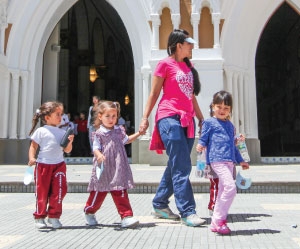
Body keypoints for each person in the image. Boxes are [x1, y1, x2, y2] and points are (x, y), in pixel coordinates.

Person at [139, 29, 206, 227]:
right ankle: (187, 211)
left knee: (177, 163)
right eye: (189, 43)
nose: (192, 47)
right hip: (169, 117)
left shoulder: (188, 66)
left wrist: (202, 119)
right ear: (179, 45)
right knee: (183, 164)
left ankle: (159, 204)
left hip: (187, 120)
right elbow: (154, 93)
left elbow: (190, 96)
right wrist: (145, 118)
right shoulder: (164, 65)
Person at [196, 90, 250, 235]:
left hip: (230, 162)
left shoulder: (231, 126)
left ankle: (216, 222)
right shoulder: (209, 122)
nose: (222, 110)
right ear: (213, 106)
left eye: (226, 108)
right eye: (219, 107)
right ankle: (220, 219)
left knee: (222, 192)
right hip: (217, 160)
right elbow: (204, 137)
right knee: (231, 188)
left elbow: (233, 146)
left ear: (230, 110)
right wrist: (200, 144)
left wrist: (241, 161)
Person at [83, 101, 144, 228]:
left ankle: (126, 216)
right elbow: (95, 148)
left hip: (118, 166)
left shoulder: (119, 130)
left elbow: (126, 140)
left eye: (114, 116)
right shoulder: (99, 133)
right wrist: (99, 155)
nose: (111, 119)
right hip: (104, 167)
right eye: (107, 116)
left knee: (120, 190)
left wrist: (139, 133)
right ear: (100, 116)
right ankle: (89, 211)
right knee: (99, 192)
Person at [28, 101, 74, 229]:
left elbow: (67, 150)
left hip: (59, 165)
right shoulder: (41, 131)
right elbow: (33, 146)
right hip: (43, 165)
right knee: (42, 192)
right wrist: (32, 157)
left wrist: (69, 142)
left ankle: (54, 216)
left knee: (60, 190)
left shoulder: (62, 132)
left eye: (61, 114)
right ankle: (40, 216)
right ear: (47, 118)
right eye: (57, 114)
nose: (61, 117)